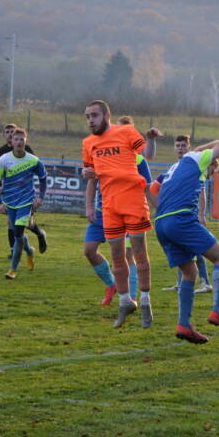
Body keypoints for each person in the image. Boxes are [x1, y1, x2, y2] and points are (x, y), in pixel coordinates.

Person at [151, 138, 219, 343]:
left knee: (189, 272)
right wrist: (203, 149)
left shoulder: (174, 168)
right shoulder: (197, 159)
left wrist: (163, 209)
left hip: (161, 223)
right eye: (210, 171)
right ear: (208, 162)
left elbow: (152, 188)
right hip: (180, 219)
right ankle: (218, 312)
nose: (208, 176)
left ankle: (184, 325)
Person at [82, 100, 157, 328]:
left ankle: (145, 302)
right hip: (109, 206)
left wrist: (151, 139)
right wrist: (89, 180)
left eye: (94, 115)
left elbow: (148, 155)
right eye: (87, 117)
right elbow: (91, 176)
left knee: (139, 254)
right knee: (117, 256)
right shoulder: (88, 143)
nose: (90, 121)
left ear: (107, 115)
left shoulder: (126, 132)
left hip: (133, 201)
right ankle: (125, 302)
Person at [0, 128, 47, 279]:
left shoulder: (33, 160)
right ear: (12, 141)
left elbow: (43, 178)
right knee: (19, 235)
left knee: (18, 235)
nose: (19, 142)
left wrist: (40, 197)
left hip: (26, 202)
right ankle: (29, 251)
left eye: (22, 139)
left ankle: (12, 270)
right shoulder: (4, 159)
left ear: (26, 141)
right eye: (16, 139)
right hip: (10, 202)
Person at [162, 134, 214, 294]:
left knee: (195, 248)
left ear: (189, 147)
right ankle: (181, 282)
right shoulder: (176, 166)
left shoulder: (194, 164)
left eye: (183, 146)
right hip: (176, 214)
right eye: (177, 146)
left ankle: (205, 282)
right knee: (181, 247)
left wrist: (201, 214)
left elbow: (201, 191)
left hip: (189, 214)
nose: (180, 148)